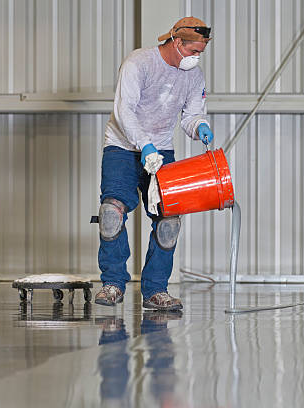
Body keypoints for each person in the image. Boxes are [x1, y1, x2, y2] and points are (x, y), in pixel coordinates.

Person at [94, 17, 214, 311]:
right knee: (111, 213)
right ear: (176, 42)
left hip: (162, 151)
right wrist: (143, 144)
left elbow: (190, 114)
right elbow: (125, 111)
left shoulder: (193, 77)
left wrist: (199, 126)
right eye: (193, 51)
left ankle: (156, 291)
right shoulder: (139, 63)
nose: (196, 57)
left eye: (200, 53)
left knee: (169, 221)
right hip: (122, 147)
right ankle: (112, 284)